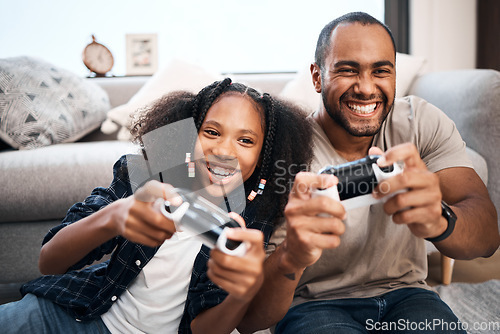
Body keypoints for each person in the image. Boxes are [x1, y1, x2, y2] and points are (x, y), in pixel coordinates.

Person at [237, 12, 500, 334]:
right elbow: (249, 319)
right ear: (317, 77)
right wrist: (291, 254)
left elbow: (487, 240)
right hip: (312, 304)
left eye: (380, 71)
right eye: (348, 70)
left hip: (407, 294)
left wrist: (439, 219)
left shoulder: (420, 122)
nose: (365, 88)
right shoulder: (280, 149)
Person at [0, 78, 314, 334]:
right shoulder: (146, 174)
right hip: (82, 312)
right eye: (212, 132)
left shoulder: (254, 218)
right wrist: (114, 216)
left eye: (245, 140)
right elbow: (49, 263)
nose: (223, 150)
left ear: (263, 156)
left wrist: (243, 294)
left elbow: (205, 330)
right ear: (188, 133)